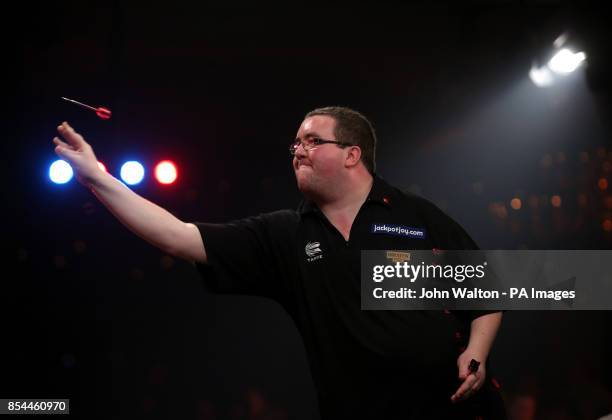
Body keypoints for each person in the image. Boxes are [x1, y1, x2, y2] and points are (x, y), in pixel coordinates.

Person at [53, 106, 505, 419]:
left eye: (312, 140)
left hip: (456, 411)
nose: (298, 150)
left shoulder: (415, 214)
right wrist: (97, 178)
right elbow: (177, 236)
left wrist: (477, 354)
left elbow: (485, 290)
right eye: (295, 144)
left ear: (352, 154)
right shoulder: (286, 234)